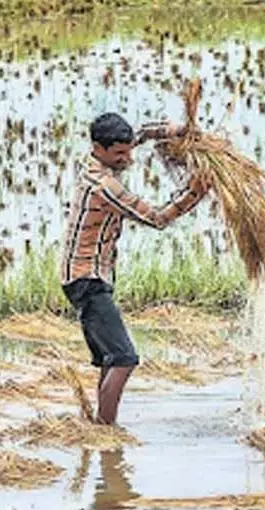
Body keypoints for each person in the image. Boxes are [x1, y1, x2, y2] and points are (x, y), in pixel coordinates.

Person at [59, 112, 212, 425]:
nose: (128, 158)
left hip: (85, 275)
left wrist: (177, 130)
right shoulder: (103, 186)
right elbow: (156, 218)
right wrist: (196, 191)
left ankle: (100, 424)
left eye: (128, 150)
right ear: (98, 149)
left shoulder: (97, 161)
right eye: (119, 154)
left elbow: (140, 133)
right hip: (86, 278)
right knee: (125, 358)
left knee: (110, 358)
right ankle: (106, 432)